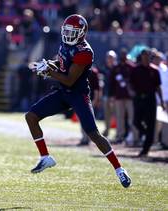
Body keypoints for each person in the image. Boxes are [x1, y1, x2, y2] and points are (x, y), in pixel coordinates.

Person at [25, 14, 131, 188]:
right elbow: (61, 64)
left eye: (72, 31)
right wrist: (48, 65)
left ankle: (119, 169)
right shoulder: (66, 44)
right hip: (63, 92)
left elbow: (69, 79)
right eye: (66, 31)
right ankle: (45, 157)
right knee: (31, 116)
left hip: (78, 94)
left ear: (82, 33)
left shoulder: (85, 51)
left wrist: (49, 72)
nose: (68, 34)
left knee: (93, 134)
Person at [130, 49, 166, 157]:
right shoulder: (136, 69)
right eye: (143, 55)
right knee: (136, 121)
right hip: (139, 98)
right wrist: (132, 92)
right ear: (141, 57)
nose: (145, 57)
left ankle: (145, 149)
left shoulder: (154, 70)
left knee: (151, 124)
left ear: (150, 57)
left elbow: (158, 87)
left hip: (150, 99)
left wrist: (162, 101)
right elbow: (130, 83)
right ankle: (145, 134)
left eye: (147, 55)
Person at [109, 49, 138, 145]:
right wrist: (112, 96)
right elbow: (112, 83)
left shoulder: (131, 67)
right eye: (122, 55)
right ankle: (120, 136)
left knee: (132, 117)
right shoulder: (116, 67)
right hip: (119, 96)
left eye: (125, 55)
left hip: (129, 97)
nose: (123, 56)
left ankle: (134, 136)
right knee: (119, 117)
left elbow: (135, 82)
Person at [99, 50, 117, 137]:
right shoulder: (104, 68)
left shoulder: (117, 68)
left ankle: (118, 133)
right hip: (106, 95)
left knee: (117, 115)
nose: (109, 59)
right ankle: (107, 131)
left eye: (111, 57)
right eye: (108, 57)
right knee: (107, 115)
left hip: (115, 96)